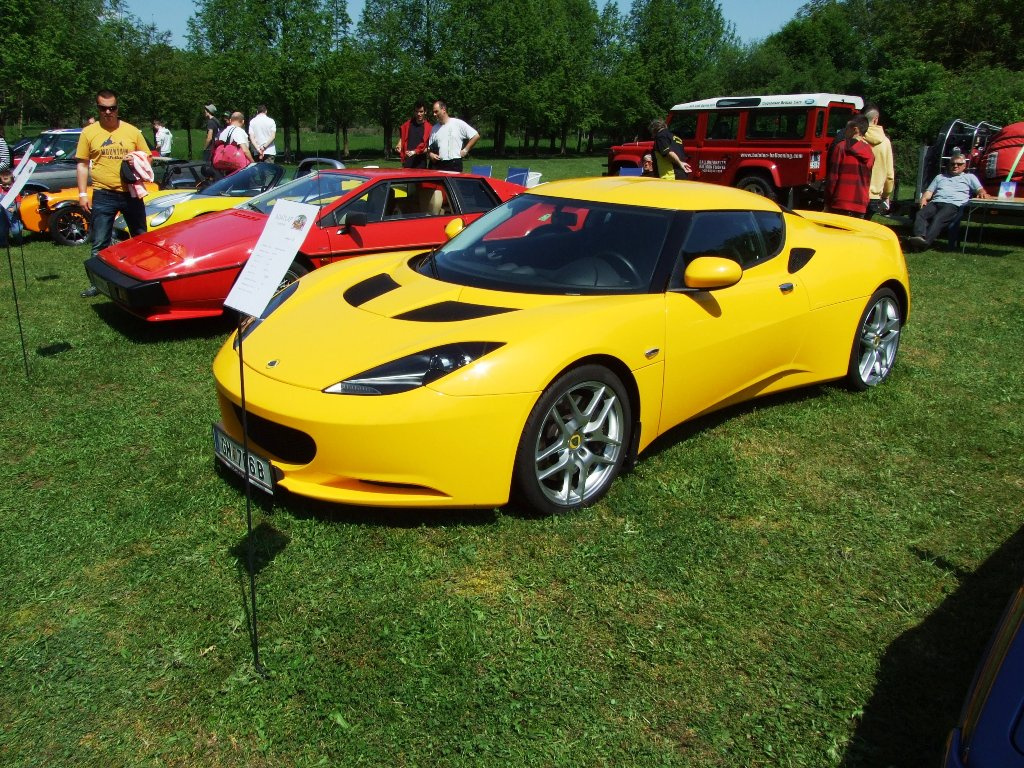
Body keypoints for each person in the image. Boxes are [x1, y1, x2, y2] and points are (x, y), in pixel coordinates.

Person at [77, 89, 150, 297]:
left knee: (140, 237)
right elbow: (82, 164)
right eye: (103, 108)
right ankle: (97, 283)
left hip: (131, 192)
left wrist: (136, 159)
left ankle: (142, 277)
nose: (108, 112)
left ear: (117, 108)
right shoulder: (89, 132)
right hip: (103, 193)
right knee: (100, 240)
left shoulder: (132, 131)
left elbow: (148, 157)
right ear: (98, 109)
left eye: (112, 108)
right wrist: (83, 194)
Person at [907, 151, 990, 251]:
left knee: (938, 218)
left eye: (959, 164)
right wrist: (924, 199)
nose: (955, 166)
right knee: (921, 214)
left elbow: (980, 189)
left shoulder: (969, 177)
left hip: (953, 204)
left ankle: (924, 243)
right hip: (936, 202)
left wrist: (981, 193)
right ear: (948, 165)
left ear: (964, 166)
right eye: (952, 164)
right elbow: (929, 191)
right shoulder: (940, 177)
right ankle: (919, 237)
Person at [825, 115, 874, 218]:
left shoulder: (841, 147)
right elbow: (868, 180)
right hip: (860, 204)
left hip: (840, 203)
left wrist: (828, 202)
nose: (844, 131)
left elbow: (833, 178)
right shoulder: (870, 152)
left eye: (847, 128)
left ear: (855, 129)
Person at [428, 100, 478, 172]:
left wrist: (465, 150)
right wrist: (431, 154)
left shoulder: (457, 123)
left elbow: (475, 135)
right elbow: (430, 148)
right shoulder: (434, 128)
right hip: (439, 165)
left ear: (443, 110)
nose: (434, 114)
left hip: (454, 164)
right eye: (433, 112)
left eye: (436, 111)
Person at [863, 107, 894, 217]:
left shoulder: (858, 138)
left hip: (857, 192)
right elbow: (890, 175)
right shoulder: (885, 142)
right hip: (874, 195)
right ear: (876, 119)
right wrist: (886, 194)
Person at [395, 101, 431, 168]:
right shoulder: (408, 124)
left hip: (420, 163)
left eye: (421, 111)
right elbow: (402, 137)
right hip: (407, 162)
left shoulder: (429, 128)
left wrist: (415, 152)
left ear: (425, 112)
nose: (419, 114)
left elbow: (428, 148)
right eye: (417, 111)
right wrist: (399, 144)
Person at [0, 165, 24, 247]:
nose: (6, 186)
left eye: (8, 185)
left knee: (16, 229)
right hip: (1, 213)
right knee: (2, 228)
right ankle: (3, 243)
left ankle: (18, 241)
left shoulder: (14, 191)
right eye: (4, 184)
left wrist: (14, 208)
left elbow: (18, 202)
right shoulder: (0, 190)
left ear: (12, 183)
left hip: (11, 213)